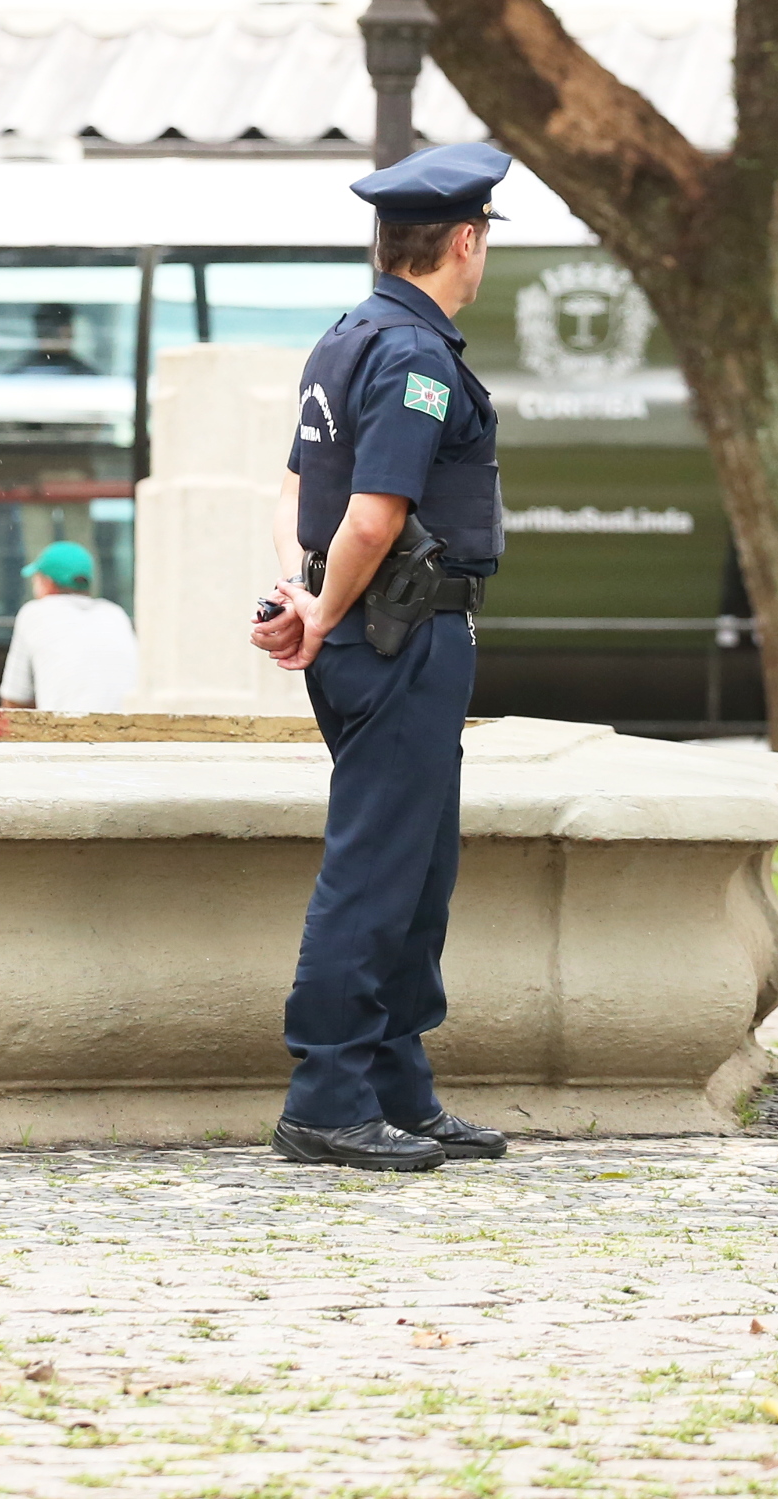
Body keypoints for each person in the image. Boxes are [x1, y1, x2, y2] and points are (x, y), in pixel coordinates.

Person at [251, 139, 517, 1173]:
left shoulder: (343, 339)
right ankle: (325, 1093)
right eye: (482, 235)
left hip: (362, 625)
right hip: (401, 630)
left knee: (417, 865)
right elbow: (371, 514)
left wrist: (305, 596)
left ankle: (397, 1087)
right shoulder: (412, 355)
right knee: (377, 868)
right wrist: (324, 608)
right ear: (463, 240)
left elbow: (292, 498)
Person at [0, 540, 136, 713]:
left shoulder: (33, 614)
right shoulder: (116, 614)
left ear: (47, 583)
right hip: (127, 732)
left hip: (68, 733)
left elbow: (13, 703)